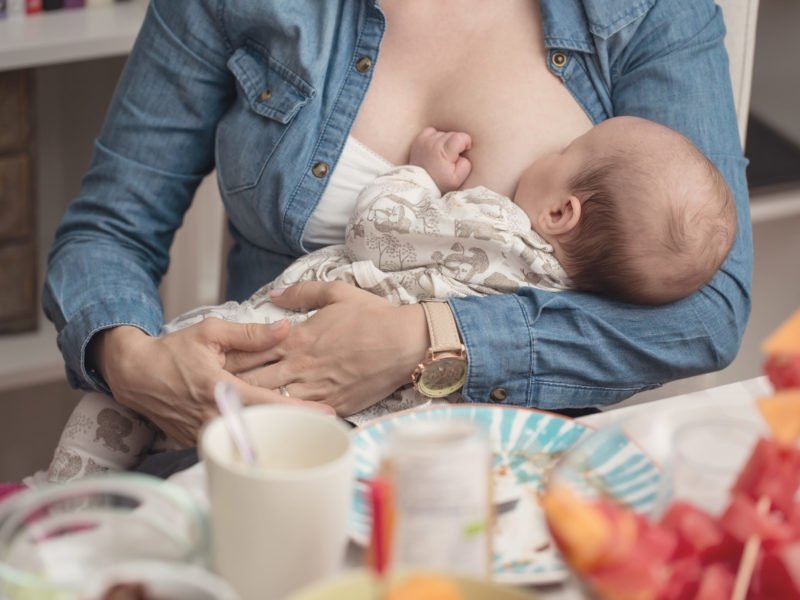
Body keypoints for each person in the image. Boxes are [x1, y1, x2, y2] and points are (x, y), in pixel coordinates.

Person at [42, 0, 751, 464]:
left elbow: (705, 313)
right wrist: (131, 364)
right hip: (268, 440)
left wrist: (428, 342)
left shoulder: (644, 10)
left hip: (516, 476)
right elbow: (110, 228)